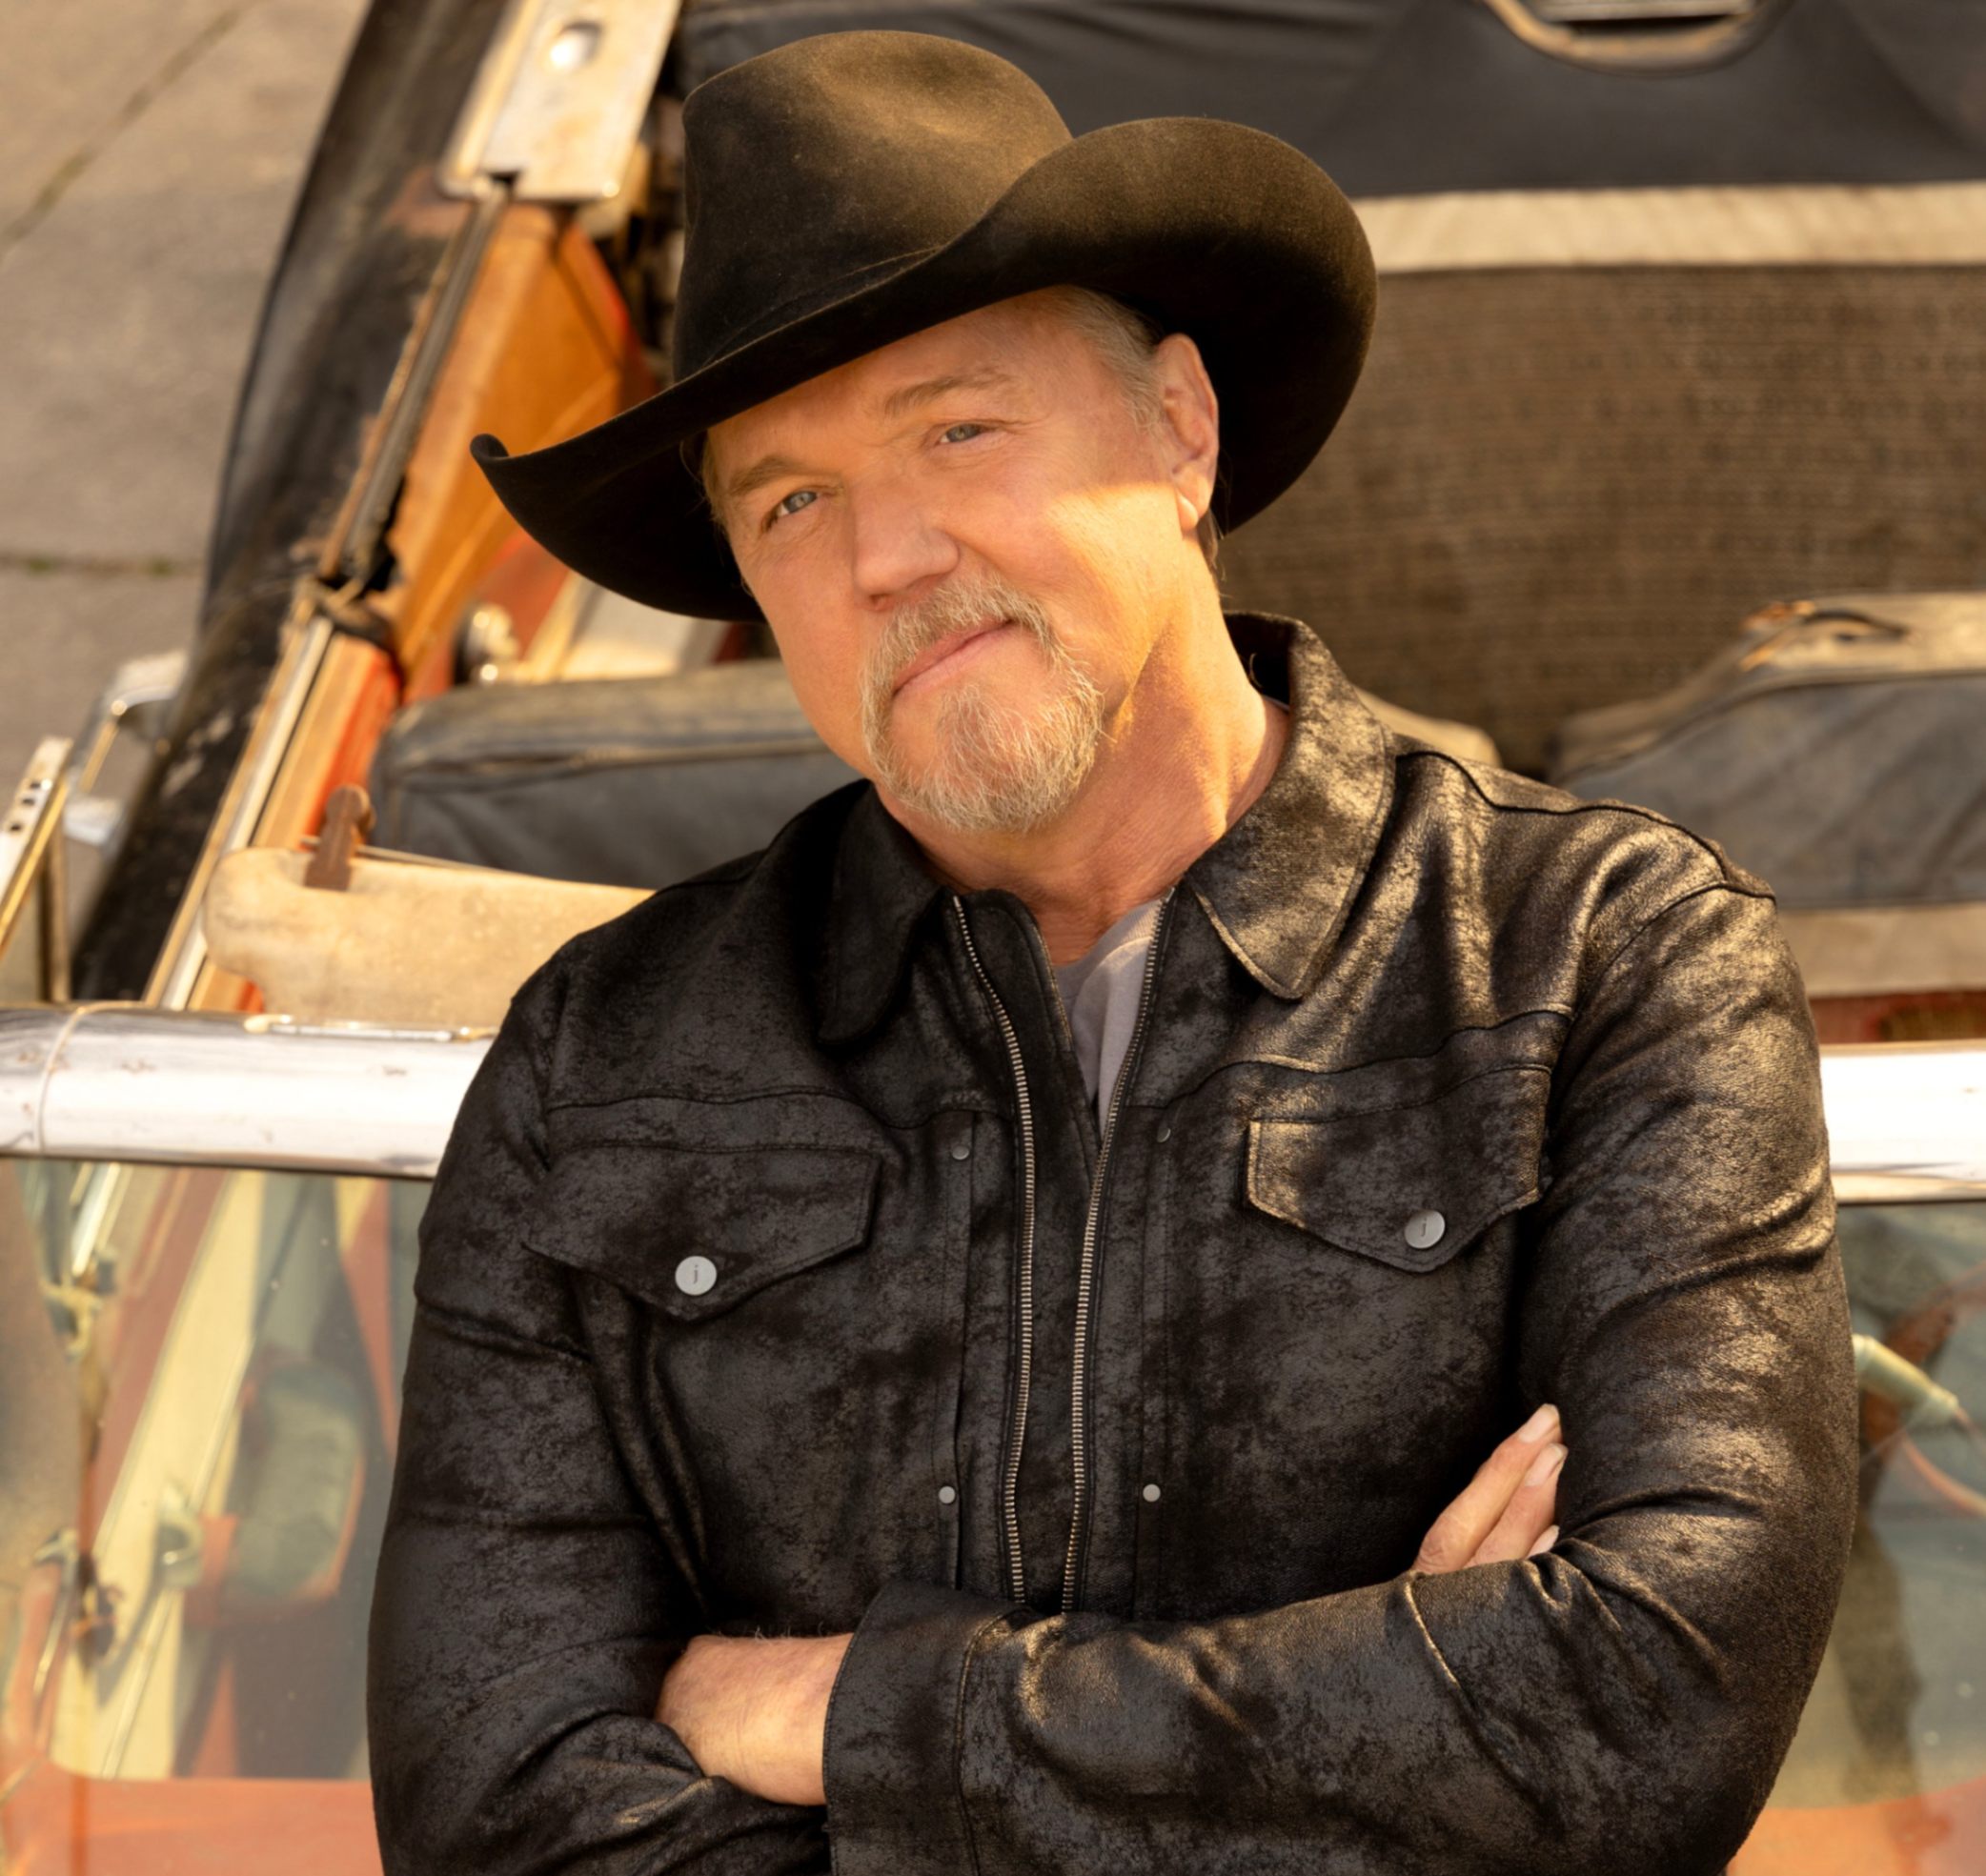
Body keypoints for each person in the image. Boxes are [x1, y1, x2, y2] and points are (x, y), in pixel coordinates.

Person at [367, 30, 1857, 1876]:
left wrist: (855, 1722)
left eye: (956, 430)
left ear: (1180, 430)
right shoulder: (601, 1064)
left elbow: (1652, 1702)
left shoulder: (1601, 960)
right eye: (791, 501)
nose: (887, 556)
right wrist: (1402, 1725)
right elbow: (499, 1819)